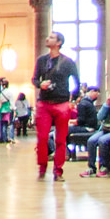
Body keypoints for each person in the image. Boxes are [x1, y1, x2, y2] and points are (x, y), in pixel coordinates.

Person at [33, 31, 81, 181]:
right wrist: (40, 84)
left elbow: (77, 82)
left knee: (61, 139)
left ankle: (58, 171)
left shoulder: (67, 62)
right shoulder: (42, 61)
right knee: (42, 138)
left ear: (59, 43)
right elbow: (34, 79)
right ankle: (42, 167)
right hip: (44, 103)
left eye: (52, 37)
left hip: (61, 103)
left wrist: (72, 101)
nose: (48, 39)